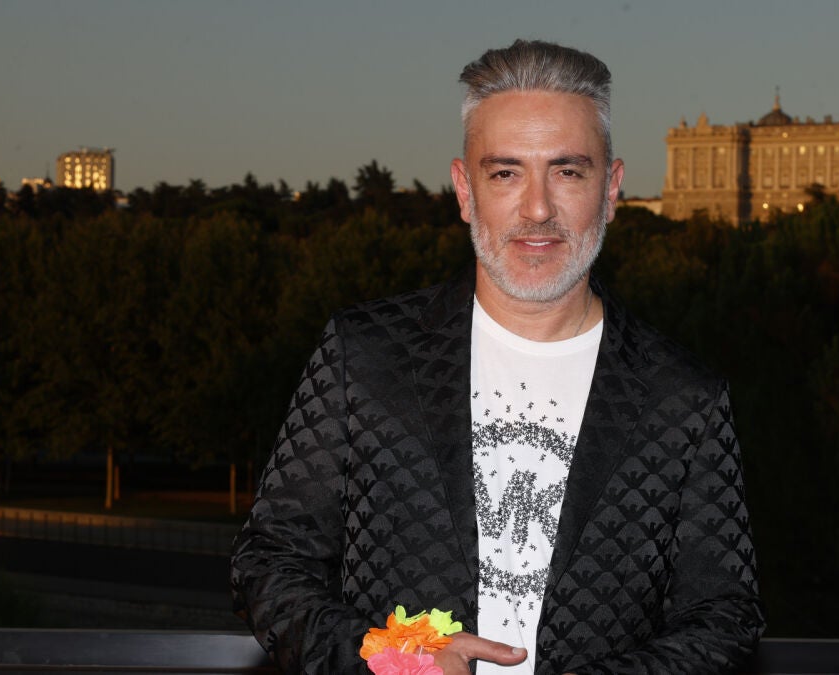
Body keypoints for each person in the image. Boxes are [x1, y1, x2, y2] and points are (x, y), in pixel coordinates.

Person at [230, 39, 766, 675]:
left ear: (612, 189)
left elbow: (724, 617)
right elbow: (268, 562)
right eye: (505, 173)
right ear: (465, 190)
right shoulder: (363, 354)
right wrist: (392, 661)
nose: (537, 209)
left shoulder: (686, 396)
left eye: (568, 172)